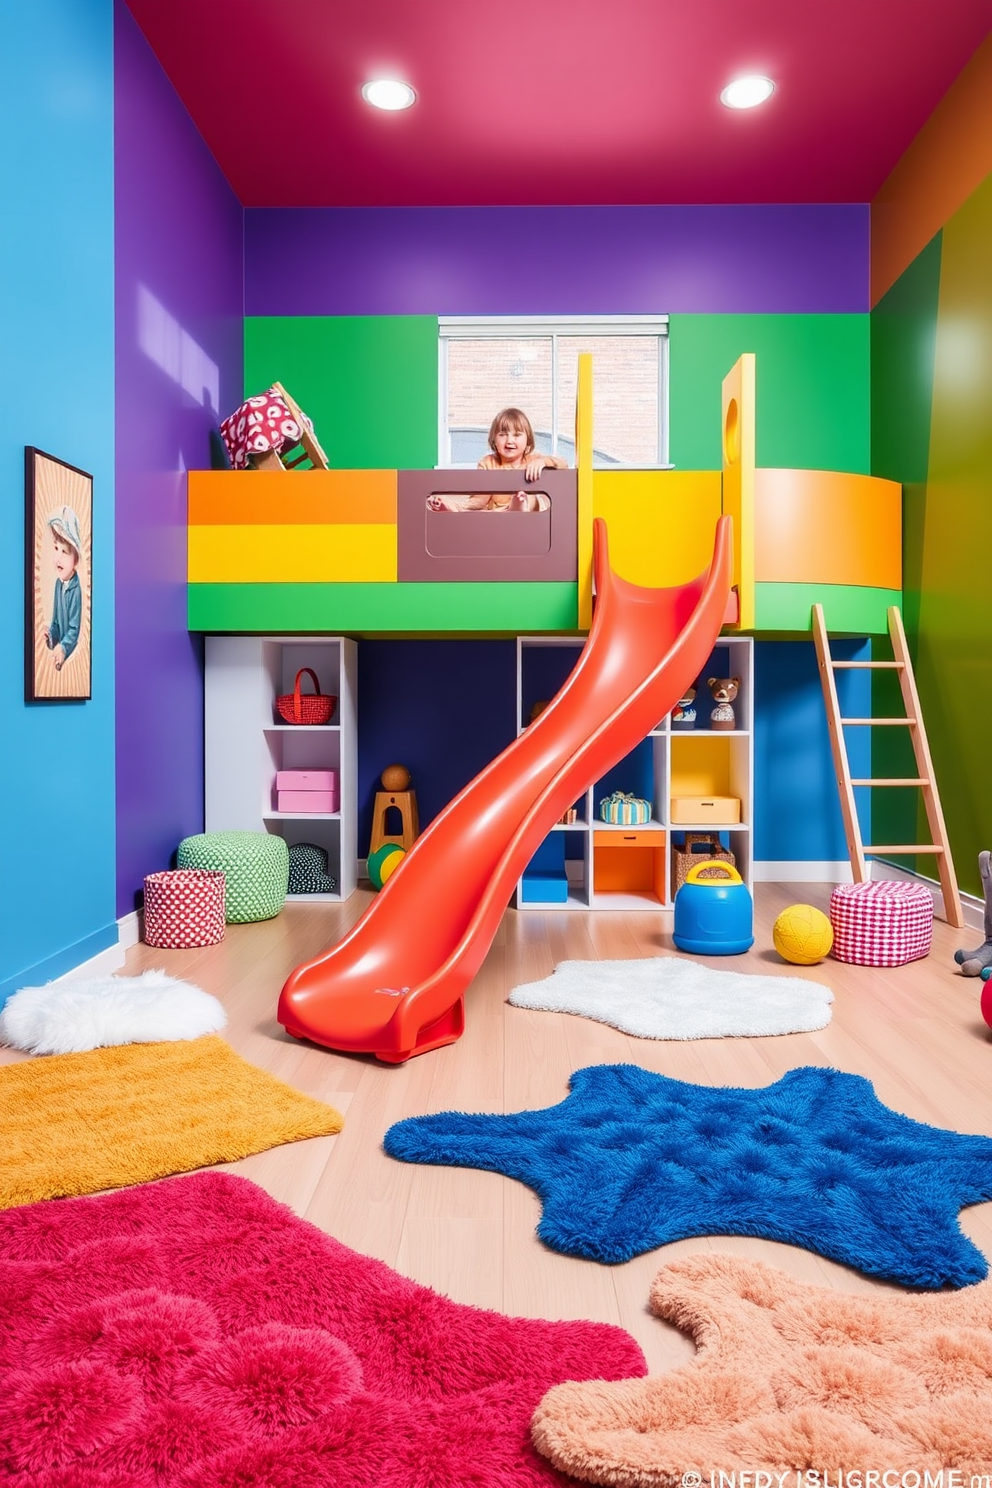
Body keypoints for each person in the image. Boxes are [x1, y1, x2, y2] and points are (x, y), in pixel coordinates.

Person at [429, 408, 567, 512]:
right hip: (501, 513)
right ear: (494, 440)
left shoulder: (533, 460)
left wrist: (543, 462)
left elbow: (563, 464)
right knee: (480, 512)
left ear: (528, 440)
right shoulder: (488, 463)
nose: (510, 440)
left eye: (517, 435)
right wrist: (462, 506)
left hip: (530, 514)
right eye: (502, 435)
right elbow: (480, 499)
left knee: (531, 499)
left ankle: (519, 505)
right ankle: (449, 507)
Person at [42, 506, 82, 671]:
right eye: (56, 549)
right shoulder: (58, 584)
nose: (58, 557)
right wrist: (50, 636)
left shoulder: (76, 589)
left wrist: (63, 647)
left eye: (65, 552)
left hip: (71, 655)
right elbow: (56, 623)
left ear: (76, 561)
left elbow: (74, 629)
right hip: (60, 652)